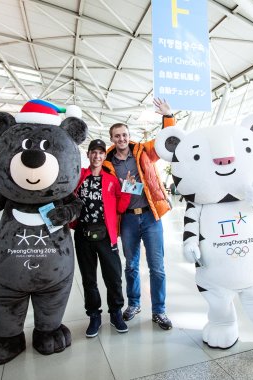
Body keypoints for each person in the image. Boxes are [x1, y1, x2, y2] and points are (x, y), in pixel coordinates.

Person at [103, 98, 175, 330]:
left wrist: (168, 116)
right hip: (128, 220)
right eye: (117, 136)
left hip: (150, 216)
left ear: (128, 135)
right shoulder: (107, 163)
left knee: (157, 267)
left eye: (124, 134)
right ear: (112, 139)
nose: (122, 139)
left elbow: (166, 142)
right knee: (131, 266)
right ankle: (133, 304)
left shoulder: (143, 151)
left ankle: (159, 310)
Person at [70, 139, 134, 338]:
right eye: (93, 153)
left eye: (100, 153)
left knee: (113, 277)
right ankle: (94, 316)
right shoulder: (79, 176)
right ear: (88, 155)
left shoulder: (111, 180)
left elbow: (121, 207)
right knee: (89, 279)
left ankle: (115, 313)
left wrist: (128, 189)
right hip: (83, 235)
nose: (97, 156)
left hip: (106, 236)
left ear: (104, 157)